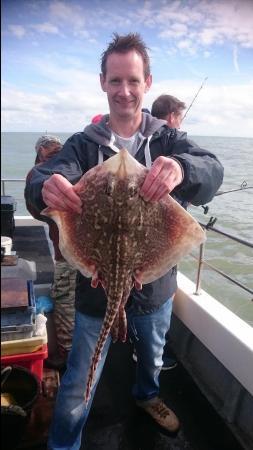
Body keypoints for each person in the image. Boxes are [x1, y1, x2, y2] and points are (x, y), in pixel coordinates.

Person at [25, 33, 224, 449]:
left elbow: (212, 169)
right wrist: (46, 187)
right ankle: (64, 443)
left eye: (132, 80)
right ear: (103, 83)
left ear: (147, 83)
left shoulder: (167, 140)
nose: (124, 90)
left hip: (155, 282)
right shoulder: (83, 145)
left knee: (152, 354)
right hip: (95, 287)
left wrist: (183, 169)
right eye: (115, 81)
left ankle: (147, 395)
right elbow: (43, 176)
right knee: (80, 377)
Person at [25, 135, 76, 367]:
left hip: (68, 254)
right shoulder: (75, 164)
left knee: (64, 300)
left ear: (41, 150)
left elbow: (37, 211)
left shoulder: (40, 172)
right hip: (92, 253)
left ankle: (67, 354)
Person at [151, 94, 187, 370]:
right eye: (180, 116)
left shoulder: (154, 140)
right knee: (162, 297)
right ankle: (152, 355)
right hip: (161, 241)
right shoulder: (173, 138)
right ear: (173, 116)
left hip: (142, 237)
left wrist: (184, 167)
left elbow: (208, 168)